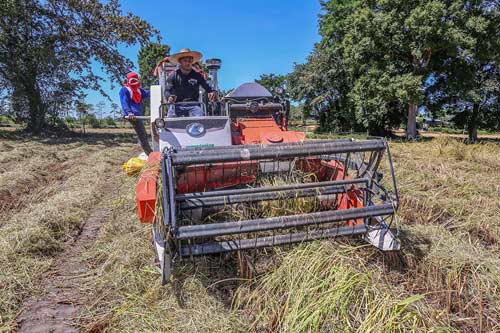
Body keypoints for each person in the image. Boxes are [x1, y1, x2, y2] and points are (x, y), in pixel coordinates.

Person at [165, 48, 217, 117]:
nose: (188, 63)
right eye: (185, 61)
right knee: (170, 119)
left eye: (190, 61)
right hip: (177, 105)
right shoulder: (173, 76)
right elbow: (167, 91)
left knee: (201, 117)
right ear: (180, 62)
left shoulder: (198, 76)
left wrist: (212, 92)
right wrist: (169, 97)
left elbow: (207, 87)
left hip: (194, 105)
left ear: (192, 62)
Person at [119, 72, 153, 155]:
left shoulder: (139, 90)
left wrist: (160, 87)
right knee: (142, 134)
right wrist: (129, 112)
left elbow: (149, 93)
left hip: (138, 115)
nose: (134, 82)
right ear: (128, 80)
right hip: (132, 116)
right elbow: (124, 102)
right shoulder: (125, 90)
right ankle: (150, 154)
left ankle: (150, 152)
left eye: (135, 80)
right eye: (132, 80)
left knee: (144, 134)